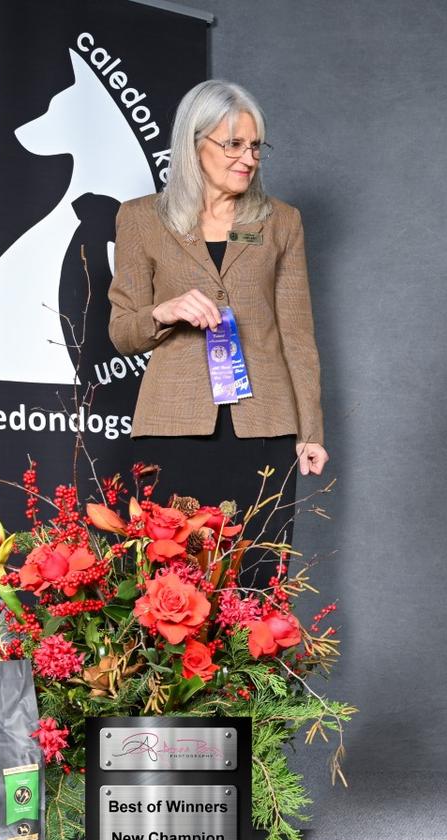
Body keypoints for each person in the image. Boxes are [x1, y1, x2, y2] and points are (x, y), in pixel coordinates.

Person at [109, 80, 326, 585]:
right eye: (233, 144)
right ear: (193, 144)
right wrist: (164, 312)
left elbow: (297, 334)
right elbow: (123, 332)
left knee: (257, 579)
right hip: (174, 426)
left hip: (265, 427)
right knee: (171, 583)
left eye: (255, 146)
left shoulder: (281, 222)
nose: (248, 158)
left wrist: (310, 431)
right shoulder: (141, 219)